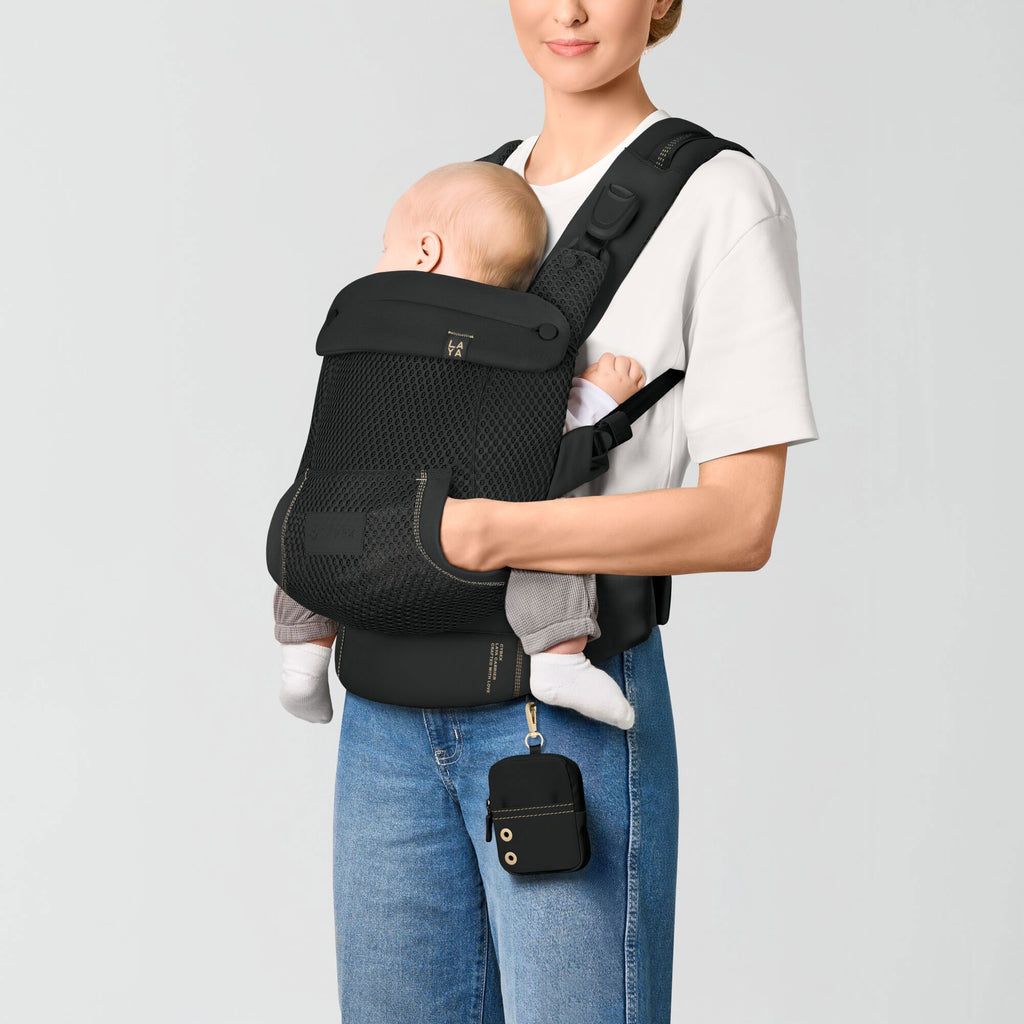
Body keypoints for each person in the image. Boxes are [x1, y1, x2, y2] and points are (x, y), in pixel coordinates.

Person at [330, 2, 819, 1021]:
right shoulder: (467, 191)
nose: (568, 10)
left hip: (561, 705)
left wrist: (488, 532)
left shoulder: (719, 197)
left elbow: (741, 521)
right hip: (387, 703)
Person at [274, 158, 641, 731]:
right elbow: (541, 438)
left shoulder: (373, 336)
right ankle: (557, 658)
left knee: (314, 512)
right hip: (458, 556)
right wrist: (595, 398)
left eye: (386, 247)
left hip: (346, 540)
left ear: (426, 252)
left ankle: (303, 656)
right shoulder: (518, 351)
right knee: (549, 531)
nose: (379, 262)